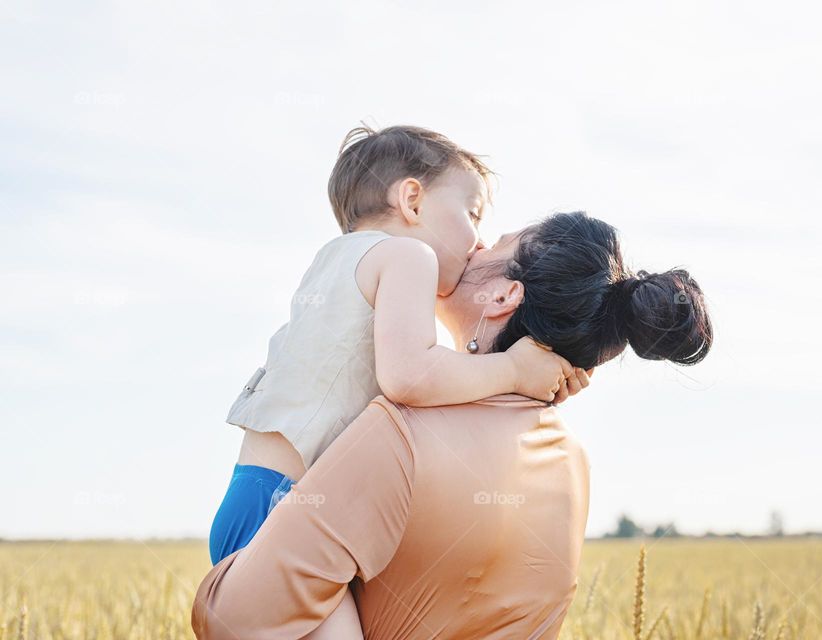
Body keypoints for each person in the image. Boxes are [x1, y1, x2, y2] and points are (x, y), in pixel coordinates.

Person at [193, 211, 713, 639]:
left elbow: (240, 617)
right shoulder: (572, 464)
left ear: (504, 297)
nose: (479, 243)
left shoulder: (399, 433)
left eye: (500, 242)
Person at [208, 126, 584, 638]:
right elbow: (411, 377)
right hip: (286, 516)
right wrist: (514, 370)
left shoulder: (338, 262)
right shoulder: (409, 258)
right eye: (472, 213)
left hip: (257, 495)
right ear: (412, 199)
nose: (477, 240)